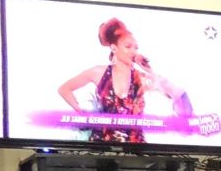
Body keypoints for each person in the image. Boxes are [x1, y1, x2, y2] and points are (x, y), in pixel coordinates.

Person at [59, 17, 187, 145]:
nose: (133, 51)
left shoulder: (141, 79)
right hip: (100, 146)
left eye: (136, 48)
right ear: (114, 48)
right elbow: (64, 89)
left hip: (134, 149)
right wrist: (82, 112)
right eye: (128, 46)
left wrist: (150, 71)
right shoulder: (99, 72)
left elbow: (178, 95)